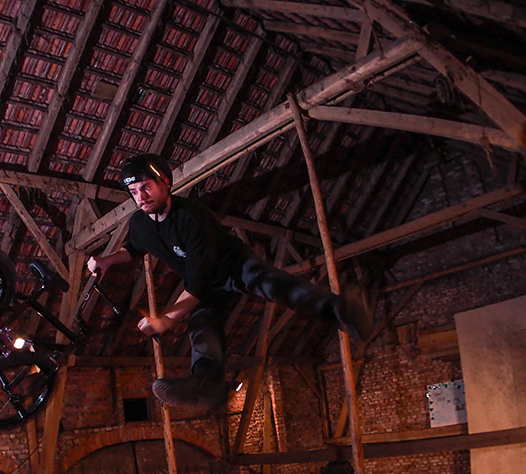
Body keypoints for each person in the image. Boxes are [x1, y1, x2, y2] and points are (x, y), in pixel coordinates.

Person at [87, 154, 373, 411]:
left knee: (272, 284)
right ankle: (208, 385)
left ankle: (344, 311)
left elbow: (198, 283)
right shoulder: (140, 223)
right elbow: (136, 247)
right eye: (134, 192)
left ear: (165, 182)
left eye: (147, 187)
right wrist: (108, 260)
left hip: (231, 265)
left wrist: (166, 320)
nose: (141, 196)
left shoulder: (191, 216)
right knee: (202, 328)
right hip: (204, 286)